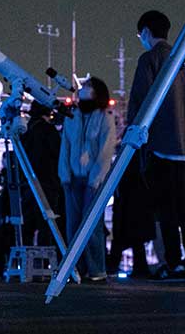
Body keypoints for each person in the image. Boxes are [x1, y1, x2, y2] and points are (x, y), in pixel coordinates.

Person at [126, 10, 185, 281]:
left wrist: (133, 133)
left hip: (160, 142)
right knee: (184, 204)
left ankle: (173, 263)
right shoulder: (184, 58)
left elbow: (140, 98)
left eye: (140, 35)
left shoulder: (149, 58)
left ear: (147, 32)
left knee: (165, 207)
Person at [59, 76, 116, 282]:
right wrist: (64, 174)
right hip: (73, 179)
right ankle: (76, 269)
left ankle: (96, 269)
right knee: (72, 226)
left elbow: (105, 151)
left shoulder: (105, 117)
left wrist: (95, 179)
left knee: (91, 226)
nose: (83, 89)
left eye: (88, 87)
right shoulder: (72, 116)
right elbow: (65, 146)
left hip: (94, 181)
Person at [19, 101, 64, 248]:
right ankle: (43, 265)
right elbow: (58, 154)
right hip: (48, 184)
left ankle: (27, 264)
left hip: (28, 184)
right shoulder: (49, 131)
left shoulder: (25, 131)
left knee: (28, 227)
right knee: (47, 227)